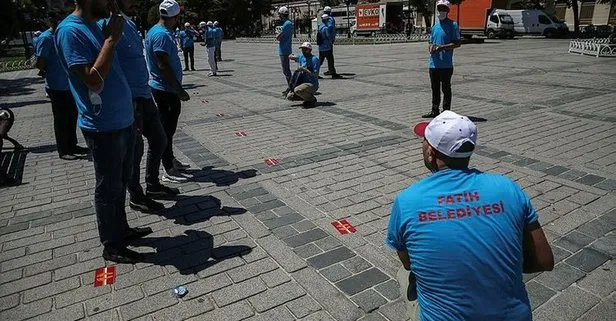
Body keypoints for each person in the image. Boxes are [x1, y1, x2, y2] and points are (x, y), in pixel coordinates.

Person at [386, 110, 554, 320]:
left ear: (431, 152)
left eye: (424, 141)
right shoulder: (507, 188)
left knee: (406, 274)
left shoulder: (408, 200)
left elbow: (408, 262)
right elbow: (545, 260)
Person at [55, 0, 153, 263]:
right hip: (103, 125)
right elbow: (92, 80)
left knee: (121, 181)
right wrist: (111, 40)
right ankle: (112, 246)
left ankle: (120, 229)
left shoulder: (95, 25)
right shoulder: (69, 31)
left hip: (122, 119)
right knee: (108, 187)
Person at [103, 0, 180, 213]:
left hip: (143, 94)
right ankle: (136, 195)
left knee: (159, 139)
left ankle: (152, 184)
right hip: (131, 98)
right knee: (135, 150)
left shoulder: (127, 23)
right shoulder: (108, 24)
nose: (135, 2)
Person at [145, 0, 192, 183]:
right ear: (174, 17)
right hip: (165, 89)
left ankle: (170, 159)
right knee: (166, 130)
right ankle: (168, 168)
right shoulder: (162, 35)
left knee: (168, 130)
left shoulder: (156, 31)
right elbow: (163, 65)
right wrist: (179, 90)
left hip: (164, 88)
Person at [35, 11, 89, 160]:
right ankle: (63, 149)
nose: (58, 21)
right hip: (56, 85)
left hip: (69, 84)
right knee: (61, 119)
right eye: (55, 19)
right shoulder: (46, 38)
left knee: (72, 116)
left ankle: (72, 144)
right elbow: (40, 63)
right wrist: (50, 70)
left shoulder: (65, 34)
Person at [423, 0, 461, 118]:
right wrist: (431, 48)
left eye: (444, 9)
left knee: (446, 88)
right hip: (433, 64)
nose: (441, 11)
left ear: (448, 11)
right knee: (435, 88)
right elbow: (430, 41)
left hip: (446, 65)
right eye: (439, 9)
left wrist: (442, 47)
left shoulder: (453, 25)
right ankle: (435, 110)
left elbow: (457, 43)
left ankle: (446, 111)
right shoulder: (435, 26)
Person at [287, 42, 320, 108]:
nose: (303, 51)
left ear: (310, 50)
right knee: (289, 96)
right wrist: (290, 56)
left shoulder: (314, 59)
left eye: (305, 49)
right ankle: (306, 98)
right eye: (302, 49)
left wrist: (304, 70)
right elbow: (294, 57)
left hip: (312, 84)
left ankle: (311, 99)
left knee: (297, 90)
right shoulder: (302, 56)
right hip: (302, 82)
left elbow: (315, 75)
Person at [276, 7, 293, 97]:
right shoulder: (289, 23)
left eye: (279, 14)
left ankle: (291, 87)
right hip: (286, 48)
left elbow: (278, 37)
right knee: (286, 70)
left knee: (286, 70)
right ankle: (291, 86)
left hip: (284, 49)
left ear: (282, 14)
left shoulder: (286, 24)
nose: (279, 16)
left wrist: (278, 35)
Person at [318, 14, 341, 79]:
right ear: (326, 20)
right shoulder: (326, 28)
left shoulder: (320, 27)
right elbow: (328, 37)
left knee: (320, 61)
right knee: (330, 60)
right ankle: (333, 74)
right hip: (327, 47)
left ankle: (315, 73)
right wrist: (331, 42)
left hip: (321, 47)